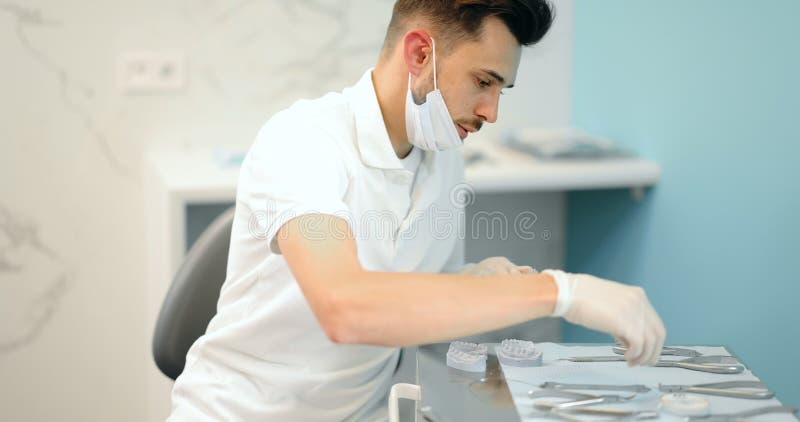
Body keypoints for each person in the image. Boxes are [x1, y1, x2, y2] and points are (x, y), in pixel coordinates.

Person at [168, 1, 666, 420]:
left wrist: (473, 279)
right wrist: (560, 292)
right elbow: (346, 308)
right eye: (483, 82)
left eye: (501, 91)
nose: (492, 112)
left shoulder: (443, 159)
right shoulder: (303, 142)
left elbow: (416, 300)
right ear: (420, 52)